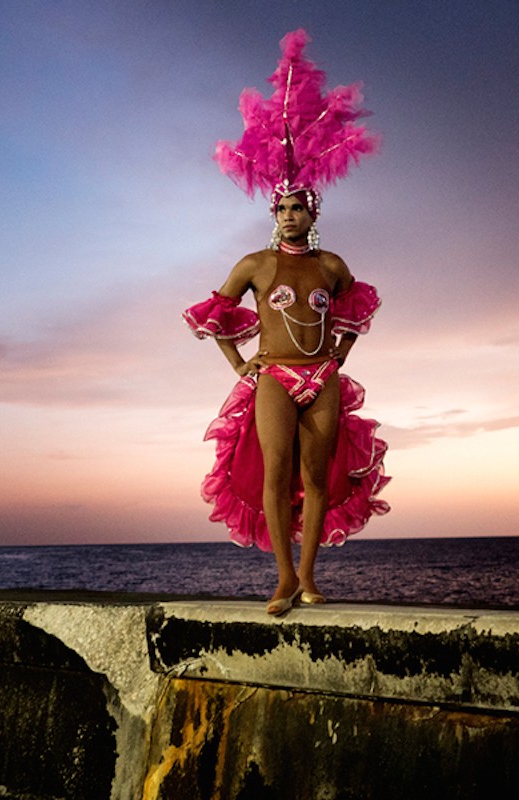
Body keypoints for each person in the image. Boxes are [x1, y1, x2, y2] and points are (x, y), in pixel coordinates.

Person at [182, 30, 389, 615]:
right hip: (273, 376)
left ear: (313, 213)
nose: (291, 214)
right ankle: (280, 580)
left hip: (320, 377)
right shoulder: (255, 263)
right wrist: (240, 362)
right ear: (274, 212)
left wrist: (341, 355)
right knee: (275, 471)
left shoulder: (330, 265)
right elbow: (216, 315)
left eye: (300, 206)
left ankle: (309, 575)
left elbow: (359, 306)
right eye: (283, 207)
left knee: (318, 479)